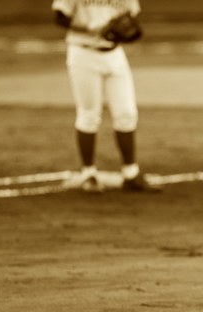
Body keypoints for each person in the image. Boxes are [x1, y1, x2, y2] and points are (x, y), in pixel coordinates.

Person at [52, 0, 160, 192]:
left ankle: (131, 174)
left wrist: (120, 27)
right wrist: (90, 28)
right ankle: (89, 174)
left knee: (126, 113)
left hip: (114, 54)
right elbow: (59, 17)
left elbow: (130, 16)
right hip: (83, 53)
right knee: (89, 114)